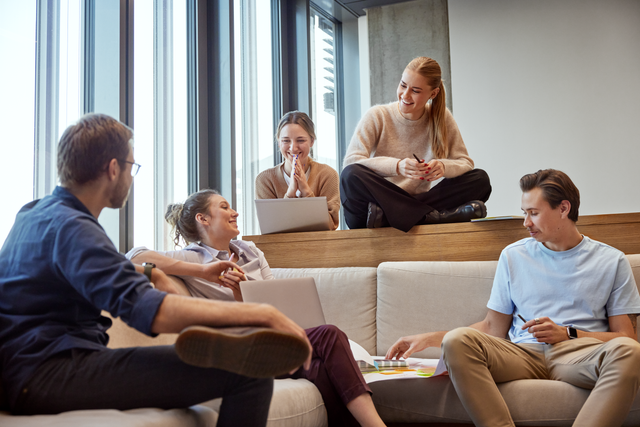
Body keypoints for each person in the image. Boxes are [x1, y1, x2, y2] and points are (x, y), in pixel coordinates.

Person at [0, 114, 312, 426]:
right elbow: (151, 311)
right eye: (131, 166)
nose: (131, 177)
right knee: (249, 370)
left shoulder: (34, 214)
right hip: (48, 373)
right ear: (112, 168)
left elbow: (100, 269)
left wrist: (164, 273)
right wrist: (261, 314)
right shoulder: (74, 228)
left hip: (28, 369)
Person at [386, 169, 640, 427]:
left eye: (534, 213)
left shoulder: (611, 260)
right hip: (521, 353)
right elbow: (492, 328)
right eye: (524, 213)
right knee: (457, 341)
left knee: (630, 351)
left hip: (578, 355)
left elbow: (625, 337)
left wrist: (568, 334)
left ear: (564, 208)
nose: (526, 223)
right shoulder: (513, 255)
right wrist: (431, 338)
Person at [127, 188, 387, 427]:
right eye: (225, 207)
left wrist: (243, 292)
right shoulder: (193, 256)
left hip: (277, 339)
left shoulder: (251, 251)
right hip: (244, 347)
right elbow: (133, 257)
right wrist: (203, 271)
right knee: (329, 334)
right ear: (203, 219)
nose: (235, 212)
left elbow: (274, 301)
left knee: (321, 370)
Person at [341, 56, 492, 232]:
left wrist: (443, 167)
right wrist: (396, 166)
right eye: (403, 85)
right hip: (376, 202)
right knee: (350, 175)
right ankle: (428, 216)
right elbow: (352, 161)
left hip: (382, 213)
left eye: (416, 90)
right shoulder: (377, 115)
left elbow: (465, 163)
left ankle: (403, 216)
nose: (405, 95)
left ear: (433, 93)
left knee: (480, 179)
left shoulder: (442, 117)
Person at [255, 111, 340, 230]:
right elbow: (270, 229)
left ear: (312, 141)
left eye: (300, 140)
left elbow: (331, 225)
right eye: (285, 141)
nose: (293, 148)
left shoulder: (327, 175)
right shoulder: (265, 180)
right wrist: (290, 194)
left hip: (320, 246)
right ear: (279, 142)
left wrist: (306, 191)